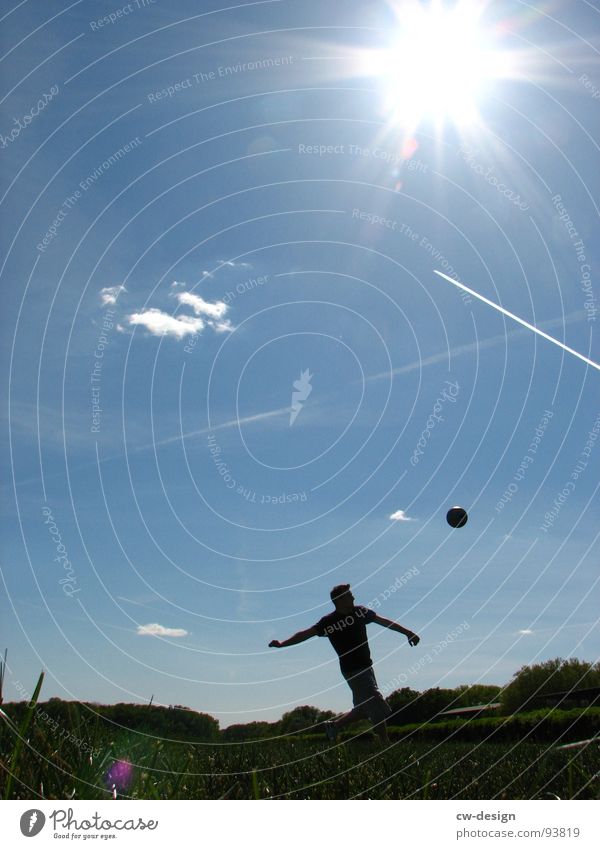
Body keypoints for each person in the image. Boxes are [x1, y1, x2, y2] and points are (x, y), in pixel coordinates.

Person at [269, 583, 420, 744]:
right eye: (349, 595)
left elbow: (383, 621)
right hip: (352, 670)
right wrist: (282, 644)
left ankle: (334, 726)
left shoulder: (360, 612)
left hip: (367, 667)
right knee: (374, 701)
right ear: (339, 600)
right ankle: (385, 743)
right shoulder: (329, 622)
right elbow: (305, 634)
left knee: (363, 709)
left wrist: (407, 633)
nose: (353, 597)